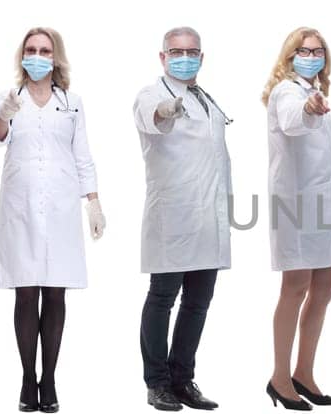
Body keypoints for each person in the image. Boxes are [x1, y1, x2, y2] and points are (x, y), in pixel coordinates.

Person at [0, 27, 104, 414]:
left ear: (56, 57)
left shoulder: (72, 102)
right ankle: (26, 378)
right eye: (31, 50)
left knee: (56, 292)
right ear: (22, 56)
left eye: (44, 50)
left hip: (60, 208)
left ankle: (49, 379)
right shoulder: (10, 98)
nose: (37, 56)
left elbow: (82, 153)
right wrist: (2, 116)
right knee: (25, 291)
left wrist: (94, 203)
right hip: (19, 207)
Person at [133, 26, 230, 412]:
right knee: (162, 298)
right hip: (173, 216)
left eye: (192, 51)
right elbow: (151, 117)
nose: (184, 57)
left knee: (198, 302)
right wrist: (166, 111)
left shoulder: (204, 98)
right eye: (176, 51)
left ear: (202, 57)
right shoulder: (152, 94)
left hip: (210, 217)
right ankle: (157, 383)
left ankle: (182, 378)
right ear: (162, 57)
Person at [262, 26, 331, 411]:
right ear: (289, 55)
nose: (312, 56)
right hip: (295, 206)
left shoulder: (316, 92)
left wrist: (316, 104)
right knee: (295, 287)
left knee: (325, 285)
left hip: (322, 206)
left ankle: (304, 372)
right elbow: (294, 120)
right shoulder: (287, 93)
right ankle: (279, 377)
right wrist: (310, 109)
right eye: (304, 51)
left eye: (318, 51)